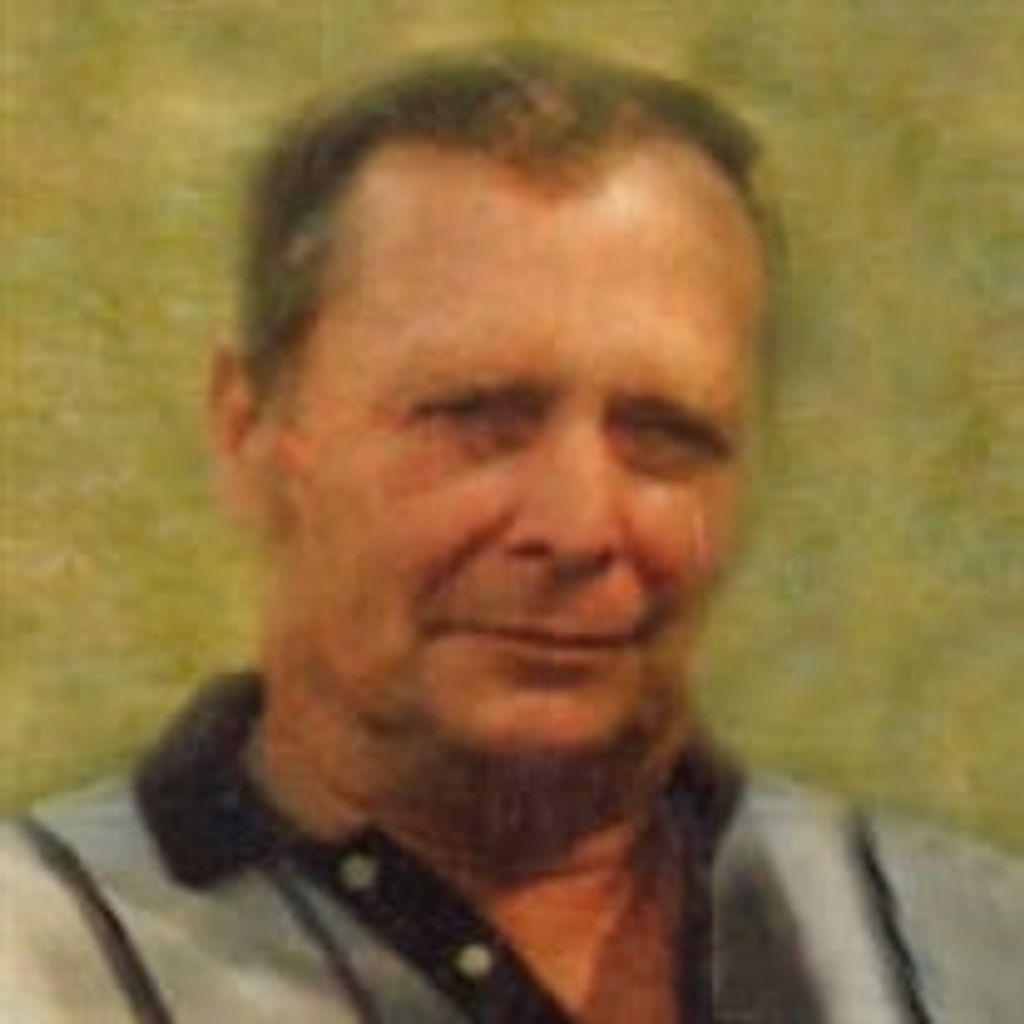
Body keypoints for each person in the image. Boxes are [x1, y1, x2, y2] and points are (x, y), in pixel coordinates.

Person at [2, 42, 1021, 1024]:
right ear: (251, 432)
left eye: (663, 435)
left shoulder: (974, 953)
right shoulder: (35, 960)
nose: (577, 525)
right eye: (479, 418)